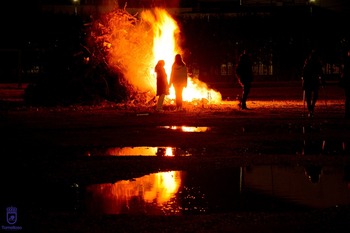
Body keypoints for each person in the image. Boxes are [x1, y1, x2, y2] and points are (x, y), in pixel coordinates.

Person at [301, 50, 324, 117]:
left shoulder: (313, 63)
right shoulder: (309, 62)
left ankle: (311, 107)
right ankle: (311, 108)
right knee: (312, 95)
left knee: (311, 96)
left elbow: (304, 72)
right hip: (311, 81)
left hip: (311, 81)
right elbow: (304, 72)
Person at [340, 49, 350, 118]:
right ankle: (347, 112)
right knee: (348, 97)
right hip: (347, 81)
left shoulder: (346, 61)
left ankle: (347, 113)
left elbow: (344, 72)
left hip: (347, 82)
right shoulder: (347, 62)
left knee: (348, 97)